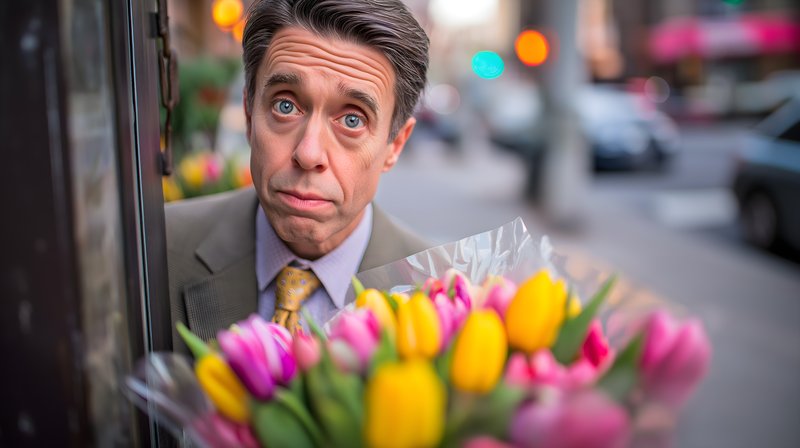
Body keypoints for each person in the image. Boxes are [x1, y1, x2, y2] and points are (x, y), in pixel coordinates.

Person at [165, 0, 430, 351]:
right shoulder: (156, 250)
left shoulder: (435, 296)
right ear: (248, 115)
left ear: (394, 144)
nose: (308, 153)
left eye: (352, 119)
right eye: (285, 105)